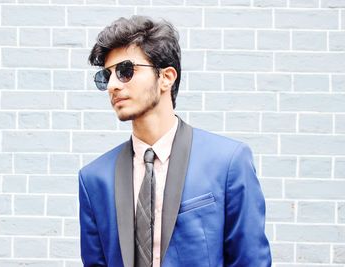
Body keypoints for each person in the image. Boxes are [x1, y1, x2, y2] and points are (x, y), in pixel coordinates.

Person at [79, 15, 272, 267]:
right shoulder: (94, 178)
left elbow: (251, 261)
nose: (113, 85)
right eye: (106, 76)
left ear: (166, 77)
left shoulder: (227, 162)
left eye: (125, 71)